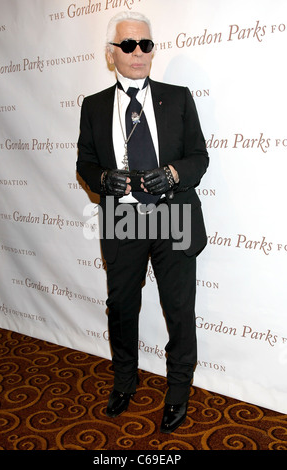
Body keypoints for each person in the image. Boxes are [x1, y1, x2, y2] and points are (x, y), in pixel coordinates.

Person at [77, 11, 209, 434]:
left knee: (179, 309)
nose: (138, 53)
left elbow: (199, 157)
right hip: (122, 217)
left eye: (146, 44)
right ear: (111, 53)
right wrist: (103, 180)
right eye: (128, 45)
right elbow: (85, 163)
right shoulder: (94, 106)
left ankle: (178, 390)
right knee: (121, 308)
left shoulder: (179, 97)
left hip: (172, 216)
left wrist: (171, 174)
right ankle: (124, 381)